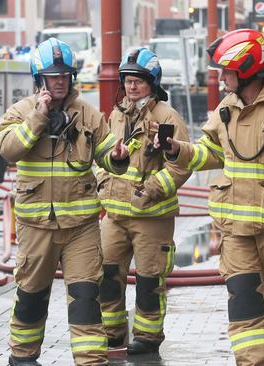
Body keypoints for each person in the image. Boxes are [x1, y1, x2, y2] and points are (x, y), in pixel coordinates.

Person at [154, 29, 264, 365]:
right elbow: (209, 152)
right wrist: (177, 149)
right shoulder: (226, 108)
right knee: (245, 300)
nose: (222, 79)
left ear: (247, 68)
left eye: (226, 71)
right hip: (235, 229)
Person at [0, 37, 129, 366]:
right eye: (52, 75)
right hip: (35, 226)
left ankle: (91, 361)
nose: (59, 80)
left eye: (64, 75)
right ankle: (23, 358)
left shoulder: (88, 115)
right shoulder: (20, 113)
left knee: (86, 297)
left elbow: (108, 155)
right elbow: (9, 149)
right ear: (39, 78)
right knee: (31, 294)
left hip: (81, 228)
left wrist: (118, 157)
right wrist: (39, 118)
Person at [96, 47, 191, 355]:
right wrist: (102, 181)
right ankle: (112, 334)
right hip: (114, 215)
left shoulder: (167, 117)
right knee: (107, 277)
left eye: (139, 80)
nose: (132, 86)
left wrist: (151, 189)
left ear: (153, 82)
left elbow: (181, 164)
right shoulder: (116, 114)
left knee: (150, 281)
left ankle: (148, 339)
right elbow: (102, 154)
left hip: (152, 217)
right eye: (127, 80)